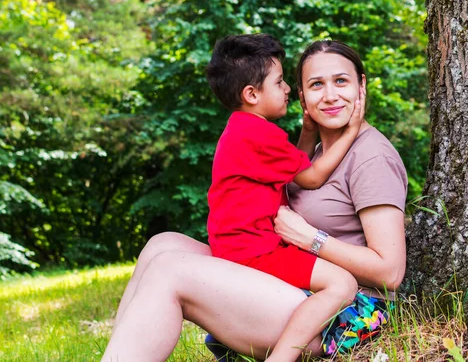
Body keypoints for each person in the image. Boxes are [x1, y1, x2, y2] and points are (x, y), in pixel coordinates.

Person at [102, 39, 407, 362]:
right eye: (316, 84)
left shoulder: (370, 156)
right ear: (302, 96)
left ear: (362, 85)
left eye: (341, 81)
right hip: (293, 284)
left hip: (344, 315)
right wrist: (308, 135)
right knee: (162, 247)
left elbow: (390, 273)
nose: (330, 95)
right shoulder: (319, 152)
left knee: (170, 270)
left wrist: (312, 239)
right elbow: (303, 173)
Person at [204, 33, 365, 362]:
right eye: (279, 83)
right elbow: (311, 176)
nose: (289, 89)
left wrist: (306, 133)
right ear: (252, 94)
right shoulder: (261, 135)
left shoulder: (242, 128)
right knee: (342, 284)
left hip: (236, 244)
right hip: (254, 250)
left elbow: (291, 169)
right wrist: (351, 131)